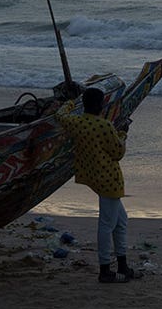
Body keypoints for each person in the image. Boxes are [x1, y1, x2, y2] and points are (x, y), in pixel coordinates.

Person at [55, 86, 140, 284]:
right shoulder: (104, 126)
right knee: (107, 225)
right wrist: (123, 134)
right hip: (110, 180)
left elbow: (60, 115)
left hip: (95, 177)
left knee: (121, 221)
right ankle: (105, 270)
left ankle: (122, 265)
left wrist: (71, 101)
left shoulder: (76, 122)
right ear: (101, 105)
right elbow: (118, 152)